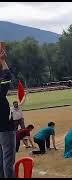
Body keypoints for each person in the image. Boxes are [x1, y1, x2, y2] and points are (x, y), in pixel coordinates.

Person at [0, 42, 16, 178]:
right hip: (4, 128)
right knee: (8, 157)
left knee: (1, 157)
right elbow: (6, 77)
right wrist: (3, 61)